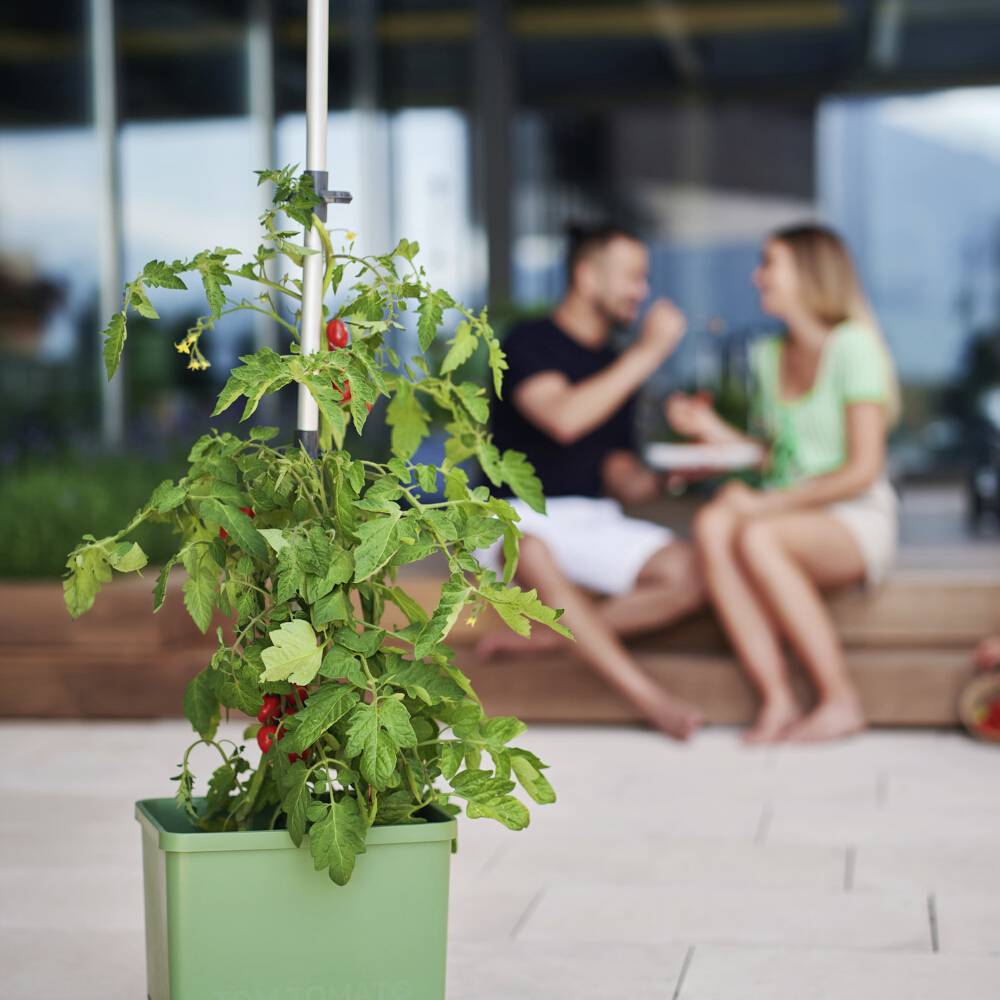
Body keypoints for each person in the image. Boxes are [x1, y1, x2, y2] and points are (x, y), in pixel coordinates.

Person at [669, 224, 901, 744]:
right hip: (791, 510)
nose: (757, 277)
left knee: (755, 533)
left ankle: (841, 699)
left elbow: (862, 469)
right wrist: (714, 435)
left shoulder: (853, 346)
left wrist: (766, 503)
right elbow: (783, 456)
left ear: (809, 274)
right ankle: (776, 698)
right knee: (713, 520)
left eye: (769, 264)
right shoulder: (769, 355)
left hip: (855, 515)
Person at [478, 224, 706, 740]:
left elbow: (619, 476)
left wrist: (669, 476)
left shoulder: (613, 364)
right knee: (531, 549)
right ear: (586, 275)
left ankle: (548, 640)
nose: (642, 291)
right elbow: (564, 417)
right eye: (633, 277)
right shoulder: (528, 341)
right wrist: (648, 353)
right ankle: (653, 701)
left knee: (692, 571)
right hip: (514, 513)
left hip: (591, 517)